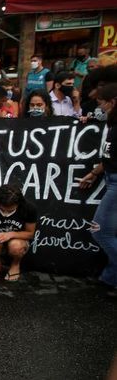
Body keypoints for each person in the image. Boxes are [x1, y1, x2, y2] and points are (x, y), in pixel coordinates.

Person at [79, 82, 116, 296]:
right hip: (110, 178)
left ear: (113, 102)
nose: (99, 108)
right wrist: (94, 173)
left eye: (101, 103)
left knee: (100, 230)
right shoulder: (112, 124)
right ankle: (109, 278)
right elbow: (111, 157)